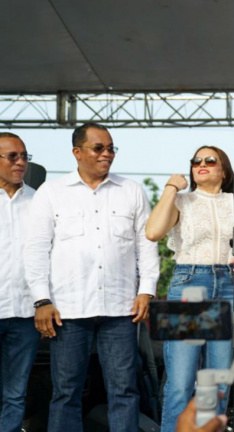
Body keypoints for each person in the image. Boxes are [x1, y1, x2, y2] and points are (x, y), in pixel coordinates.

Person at [24, 122, 160, 432]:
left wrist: (147, 291)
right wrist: (41, 299)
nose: (107, 154)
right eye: (99, 148)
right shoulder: (51, 193)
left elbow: (147, 245)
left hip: (121, 308)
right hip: (67, 309)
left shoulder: (132, 190)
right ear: (77, 152)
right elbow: (35, 251)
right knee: (66, 392)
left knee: (125, 391)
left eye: (111, 148)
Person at [144, 145, 234, 432]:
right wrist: (171, 189)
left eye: (210, 160)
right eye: (196, 160)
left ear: (223, 171)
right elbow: (152, 232)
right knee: (180, 381)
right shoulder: (182, 201)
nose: (201, 164)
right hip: (190, 285)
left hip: (226, 285)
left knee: (215, 383)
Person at [0, 132, 38, 431]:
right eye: (13, 156)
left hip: (26, 313)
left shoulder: (39, 202)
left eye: (25, 156)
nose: (21, 162)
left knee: (15, 394)